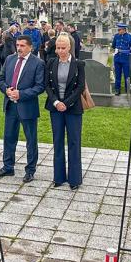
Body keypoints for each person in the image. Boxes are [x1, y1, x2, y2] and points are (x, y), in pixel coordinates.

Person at [0, 35, 45, 183]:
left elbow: (40, 86)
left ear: (30, 47)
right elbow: (0, 78)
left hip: (27, 107)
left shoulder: (38, 63)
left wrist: (21, 94)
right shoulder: (10, 59)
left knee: (31, 139)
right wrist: (7, 90)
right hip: (10, 105)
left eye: (22, 45)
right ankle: (8, 166)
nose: (19, 48)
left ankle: (30, 170)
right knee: (9, 137)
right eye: (17, 45)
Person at [45, 34, 85, 189]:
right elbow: (47, 85)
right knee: (58, 141)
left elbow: (80, 87)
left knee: (74, 142)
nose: (60, 51)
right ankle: (58, 177)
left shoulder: (78, 64)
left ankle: (74, 179)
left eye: (63, 48)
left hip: (73, 108)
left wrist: (66, 104)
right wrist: (56, 102)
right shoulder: (51, 62)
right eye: (58, 48)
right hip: (55, 108)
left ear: (70, 48)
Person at [111, 23, 131, 95]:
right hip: (117, 58)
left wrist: (127, 52)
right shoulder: (116, 36)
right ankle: (117, 90)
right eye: (118, 29)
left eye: (119, 30)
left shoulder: (130, 37)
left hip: (126, 58)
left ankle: (127, 90)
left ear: (124, 30)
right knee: (117, 75)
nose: (118, 31)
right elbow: (113, 46)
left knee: (127, 75)